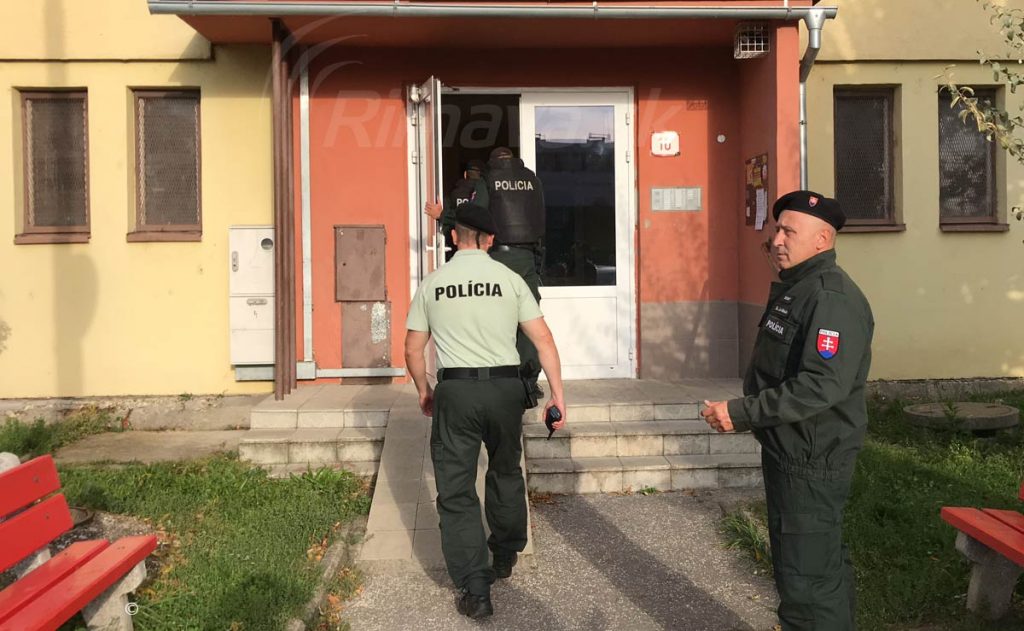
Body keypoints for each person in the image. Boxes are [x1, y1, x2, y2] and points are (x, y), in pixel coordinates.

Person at [701, 190, 874, 631]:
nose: (777, 240)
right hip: (793, 451)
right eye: (777, 230)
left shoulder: (830, 298)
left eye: (788, 232)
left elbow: (822, 384)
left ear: (822, 240)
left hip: (811, 459)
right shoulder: (799, 289)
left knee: (806, 585)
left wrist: (742, 412)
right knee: (816, 570)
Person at [404, 202, 566, 620]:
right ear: (491, 240)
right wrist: (557, 396)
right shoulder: (511, 280)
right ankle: (505, 554)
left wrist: (424, 390)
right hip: (505, 390)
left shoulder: (433, 283)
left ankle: (476, 590)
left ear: (453, 237)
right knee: (506, 470)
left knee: (456, 486)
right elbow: (544, 340)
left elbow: (412, 349)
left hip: (456, 391)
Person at [484, 146, 547, 398]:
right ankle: (528, 382)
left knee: (495, 320)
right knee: (528, 320)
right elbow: (540, 221)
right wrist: (537, 261)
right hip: (527, 257)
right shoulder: (532, 179)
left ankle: (497, 378)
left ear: (492, 162)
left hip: (498, 257)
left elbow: (477, 217)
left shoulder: (488, 180)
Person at [425, 159, 490, 262]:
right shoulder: (486, 195)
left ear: (465, 174)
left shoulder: (452, 194)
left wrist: (442, 215)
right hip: (480, 249)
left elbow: (446, 224)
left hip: (456, 248)